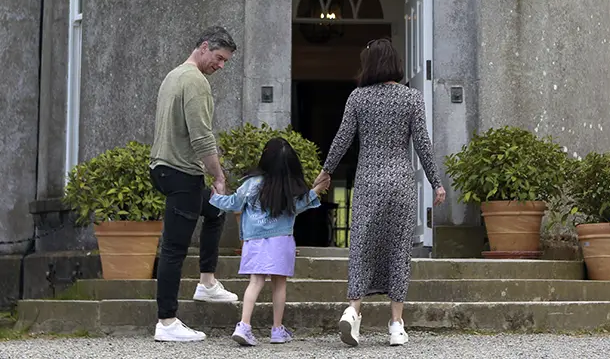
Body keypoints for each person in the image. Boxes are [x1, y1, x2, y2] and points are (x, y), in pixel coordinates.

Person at [313, 38, 446, 347]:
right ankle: (397, 324)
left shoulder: (358, 98)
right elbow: (423, 143)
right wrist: (435, 182)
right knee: (399, 250)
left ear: (369, 65)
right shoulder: (411, 98)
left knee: (361, 245)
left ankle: (353, 311)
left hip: (369, 181)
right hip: (400, 182)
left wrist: (326, 172)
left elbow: (342, 138)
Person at [149, 26, 240, 342]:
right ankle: (167, 322)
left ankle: (207, 282)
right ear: (203, 47)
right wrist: (218, 176)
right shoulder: (196, 82)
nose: (221, 65)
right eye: (219, 58)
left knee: (215, 211)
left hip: (163, 169)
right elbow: (202, 137)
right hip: (181, 173)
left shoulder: (173, 76)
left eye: (225, 61)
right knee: (173, 249)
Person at [209, 137, 331, 346]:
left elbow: (234, 203)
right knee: (279, 284)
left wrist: (215, 197)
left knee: (255, 282)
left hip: (254, 240)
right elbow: (300, 205)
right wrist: (316, 190)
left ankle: (244, 326)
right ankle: (276, 330)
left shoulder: (252, 184)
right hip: (281, 240)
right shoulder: (289, 187)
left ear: (265, 159)